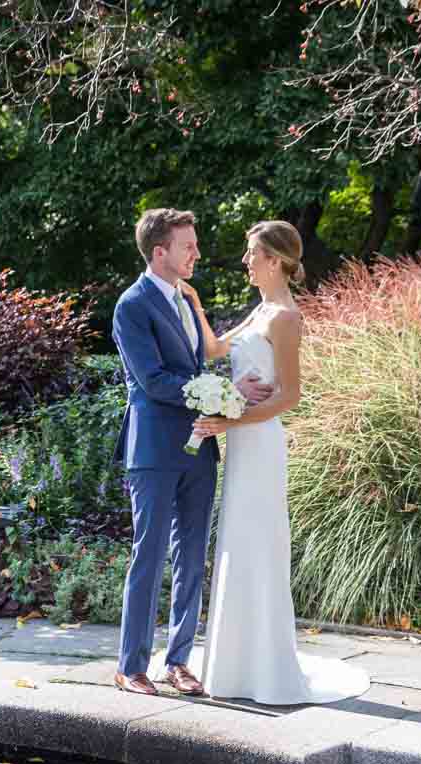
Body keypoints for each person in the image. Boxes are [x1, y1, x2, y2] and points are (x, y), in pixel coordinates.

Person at [182, 221, 370, 704]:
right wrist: (197, 304)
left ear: (274, 260)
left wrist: (232, 421)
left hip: (261, 443)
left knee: (258, 542)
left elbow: (290, 396)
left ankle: (265, 669)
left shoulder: (286, 317)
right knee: (238, 542)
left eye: (251, 253)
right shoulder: (261, 309)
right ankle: (236, 666)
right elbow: (213, 350)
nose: (245, 261)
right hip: (244, 442)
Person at [112, 209, 273, 696]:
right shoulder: (131, 305)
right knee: (151, 554)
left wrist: (224, 395)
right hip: (155, 449)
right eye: (188, 246)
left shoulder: (185, 298)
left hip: (200, 448)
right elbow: (153, 381)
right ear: (159, 252)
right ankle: (130, 666)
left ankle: (177, 661)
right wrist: (226, 393)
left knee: (192, 558)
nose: (197, 253)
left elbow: (200, 359)